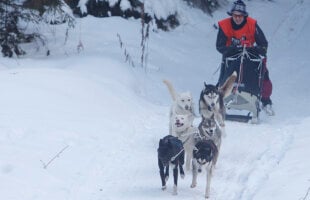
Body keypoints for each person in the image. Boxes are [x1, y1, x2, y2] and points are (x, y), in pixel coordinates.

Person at [215, 0, 274, 116]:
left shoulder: (252, 24)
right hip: (232, 56)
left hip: (250, 56)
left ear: (244, 16)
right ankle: (220, 98)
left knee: (264, 76)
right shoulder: (224, 25)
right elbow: (219, 46)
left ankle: (265, 101)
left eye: (240, 16)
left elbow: (263, 44)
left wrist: (254, 50)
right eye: (235, 15)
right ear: (231, 15)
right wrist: (232, 49)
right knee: (225, 76)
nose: (237, 18)